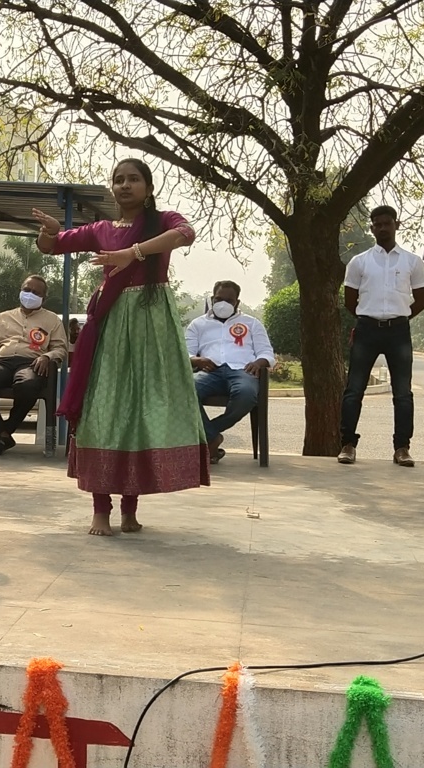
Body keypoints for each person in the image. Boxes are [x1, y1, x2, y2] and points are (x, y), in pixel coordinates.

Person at [33, 157, 209, 536]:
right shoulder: (102, 229)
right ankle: (101, 508)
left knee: (140, 413)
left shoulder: (163, 222)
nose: (125, 185)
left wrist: (134, 253)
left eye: (133, 179)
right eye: (118, 180)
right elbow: (52, 247)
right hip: (112, 326)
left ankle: (130, 508)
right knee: (105, 410)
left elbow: (186, 234)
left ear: (148, 187)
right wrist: (49, 231)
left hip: (152, 326)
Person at [339, 205, 424, 467]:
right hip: (366, 330)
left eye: (387, 223)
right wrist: (369, 316)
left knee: (403, 393)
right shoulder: (359, 262)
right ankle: (347, 445)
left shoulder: (412, 261)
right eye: (377, 224)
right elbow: (350, 301)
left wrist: (398, 317)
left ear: (396, 225)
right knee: (354, 390)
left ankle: (402, 448)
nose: (382, 228)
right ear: (372, 228)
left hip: (398, 332)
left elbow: (421, 300)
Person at [0, 275, 69, 457]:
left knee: (28, 385)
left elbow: (60, 348)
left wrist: (47, 356)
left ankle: (3, 433)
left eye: (36, 292)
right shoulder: (3, 317)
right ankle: (1, 434)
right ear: (20, 291)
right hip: (2, 362)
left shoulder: (52, 320)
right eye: (27, 290)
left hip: (31, 363)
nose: (30, 294)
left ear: (43, 298)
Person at [187, 280, 275, 464]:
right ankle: (212, 439)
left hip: (242, 371)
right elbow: (186, 352)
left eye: (229, 300)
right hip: (210, 372)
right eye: (219, 299)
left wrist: (259, 362)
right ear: (212, 299)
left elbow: (267, 353)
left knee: (247, 394)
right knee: (185, 390)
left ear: (237, 302)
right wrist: (197, 360)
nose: (223, 304)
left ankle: (209, 435)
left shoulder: (252, 323)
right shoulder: (198, 324)